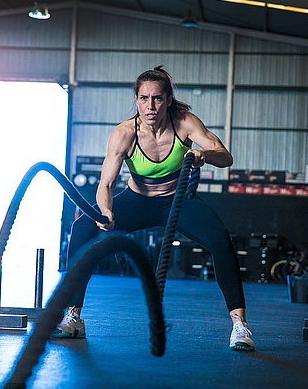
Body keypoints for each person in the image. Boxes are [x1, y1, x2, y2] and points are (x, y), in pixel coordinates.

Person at [55, 66, 254, 351]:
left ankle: (239, 326)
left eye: (157, 98)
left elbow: (226, 157)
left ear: (168, 99)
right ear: (136, 100)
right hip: (136, 201)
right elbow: (106, 183)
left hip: (178, 201)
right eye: (144, 98)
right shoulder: (124, 133)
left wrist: (204, 154)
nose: (151, 106)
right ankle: (73, 316)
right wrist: (107, 211)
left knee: (221, 240)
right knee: (82, 227)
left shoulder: (184, 123)